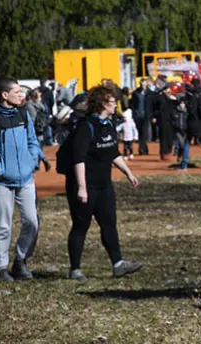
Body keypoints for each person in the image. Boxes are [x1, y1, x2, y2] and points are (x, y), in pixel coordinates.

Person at [65, 86, 142, 280]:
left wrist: (128, 173)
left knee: (109, 224)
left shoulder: (107, 124)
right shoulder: (85, 126)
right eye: (111, 101)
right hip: (85, 185)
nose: (115, 104)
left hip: (104, 185)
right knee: (81, 226)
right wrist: (82, 187)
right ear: (101, 104)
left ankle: (118, 264)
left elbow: (113, 153)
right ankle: (75, 269)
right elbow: (78, 158)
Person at [0, 78, 41, 281]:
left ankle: (21, 260)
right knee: (2, 224)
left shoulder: (23, 113)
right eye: (17, 92)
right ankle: (1, 267)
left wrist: (32, 160)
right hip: (2, 182)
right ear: (4, 95)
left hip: (26, 179)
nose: (22, 95)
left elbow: (32, 141)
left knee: (32, 221)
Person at [24, 88, 51, 171]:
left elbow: (32, 118)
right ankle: (40, 161)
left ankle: (38, 163)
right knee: (39, 145)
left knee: (34, 145)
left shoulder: (29, 105)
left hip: (35, 128)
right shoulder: (41, 104)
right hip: (42, 127)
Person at [130, 78, 155, 156]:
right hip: (137, 115)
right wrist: (133, 112)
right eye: (141, 84)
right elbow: (132, 104)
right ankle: (145, 148)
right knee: (140, 132)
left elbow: (153, 105)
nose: (142, 86)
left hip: (146, 115)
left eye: (144, 84)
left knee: (144, 132)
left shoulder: (150, 94)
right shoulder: (135, 93)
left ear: (146, 85)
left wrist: (153, 116)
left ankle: (141, 149)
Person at [171, 100, 189, 169]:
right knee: (182, 144)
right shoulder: (175, 112)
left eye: (183, 103)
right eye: (181, 103)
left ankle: (180, 155)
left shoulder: (186, 112)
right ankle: (180, 156)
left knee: (183, 146)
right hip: (178, 131)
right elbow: (172, 120)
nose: (182, 105)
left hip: (185, 131)